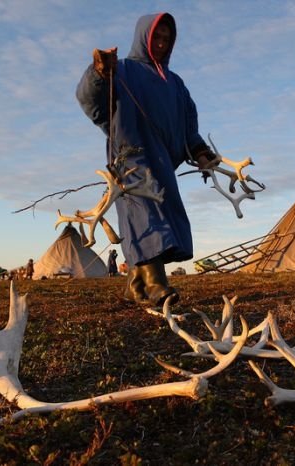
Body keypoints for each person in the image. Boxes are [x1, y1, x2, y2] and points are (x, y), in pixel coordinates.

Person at [76, 12, 218, 306]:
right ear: (144, 36)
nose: (162, 43)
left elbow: (188, 125)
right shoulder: (122, 69)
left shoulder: (176, 84)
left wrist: (201, 152)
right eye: (157, 37)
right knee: (145, 214)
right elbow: (90, 100)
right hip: (131, 156)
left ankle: (135, 284)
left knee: (161, 214)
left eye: (167, 39)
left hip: (163, 161)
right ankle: (156, 285)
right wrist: (99, 72)